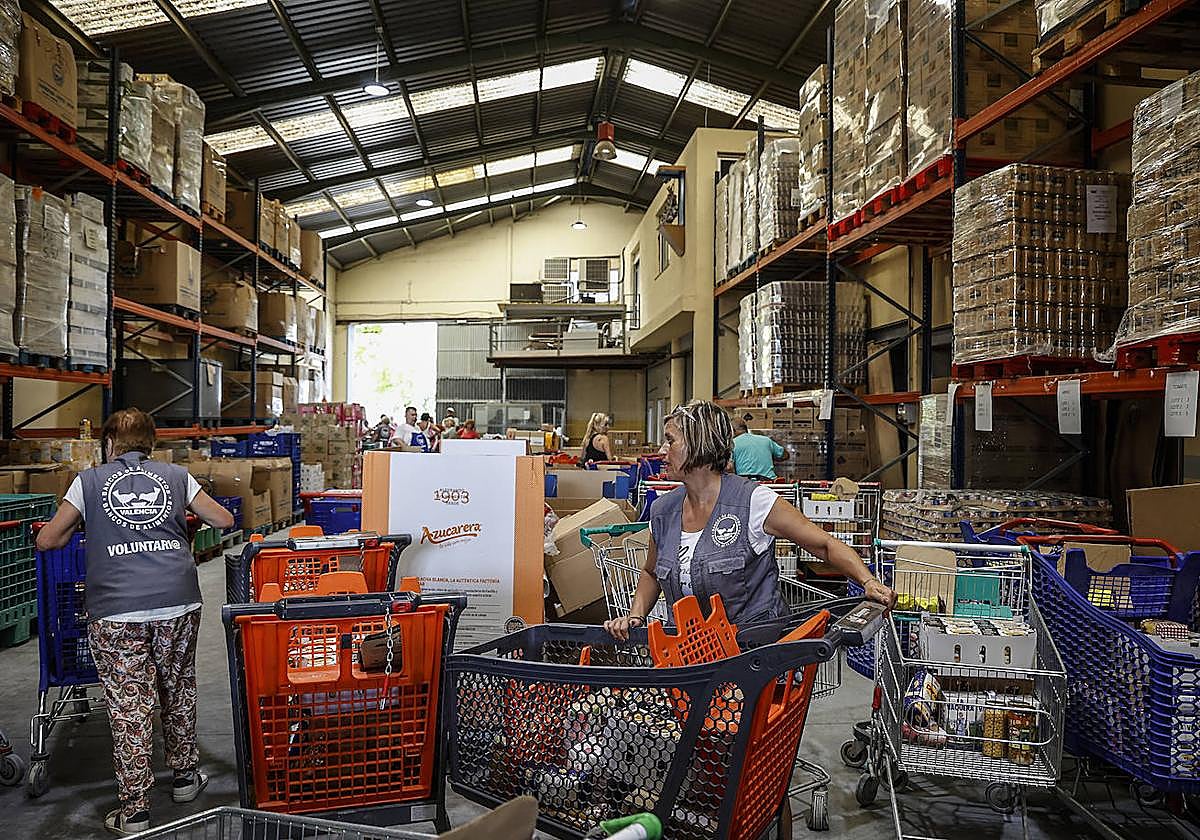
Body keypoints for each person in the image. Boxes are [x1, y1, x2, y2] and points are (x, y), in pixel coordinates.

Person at [35, 408, 235, 835]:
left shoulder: (88, 482)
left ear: (109, 443)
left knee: (130, 704)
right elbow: (224, 519)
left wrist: (80, 529)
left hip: (116, 609)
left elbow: (48, 539)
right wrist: (178, 525)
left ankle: (135, 810)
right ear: (151, 443)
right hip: (178, 600)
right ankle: (183, 779)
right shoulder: (176, 476)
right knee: (177, 687)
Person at [604, 400, 894, 642]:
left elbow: (825, 545)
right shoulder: (663, 510)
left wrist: (867, 580)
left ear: (699, 442)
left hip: (751, 655)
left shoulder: (753, 502)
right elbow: (652, 572)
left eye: (670, 441)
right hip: (689, 654)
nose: (662, 452)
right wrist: (635, 616)